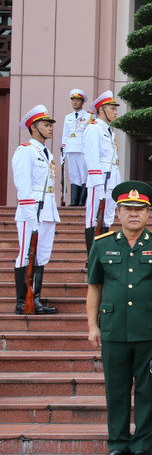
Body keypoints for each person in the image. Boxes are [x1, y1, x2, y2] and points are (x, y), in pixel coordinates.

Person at [87, 181, 152, 455]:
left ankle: (142, 445)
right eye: (128, 209)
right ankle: (118, 444)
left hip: (149, 329)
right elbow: (94, 287)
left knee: (148, 390)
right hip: (113, 329)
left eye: (140, 209)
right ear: (118, 213)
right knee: (117, 389)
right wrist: (92, 325)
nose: (134, 214)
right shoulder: (102, 244)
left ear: (148, 214)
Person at [13, 105, 61, 315]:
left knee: (41, 255)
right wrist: (30, 215)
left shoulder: (47, 153)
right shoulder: (25, 150)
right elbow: (22, 185)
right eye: (45, 125)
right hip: (31, 210)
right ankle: (22, 301)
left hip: (47, 209)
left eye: (50, 125)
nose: (50, 128)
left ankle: (36, 298)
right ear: (33, 127)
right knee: (26, 254)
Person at [83, 91, 121, 252]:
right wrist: (98, 185)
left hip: (111, 179)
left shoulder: (109, 131)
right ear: (101, 110)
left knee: (107, 218)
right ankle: (92, 256)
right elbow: (92, 158)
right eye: (111, 108)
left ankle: (101, 252)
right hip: (100, 180)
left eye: (115, 109)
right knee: (94, 218)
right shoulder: (94, 129)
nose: (115, 112)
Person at [60, 89, 88, 207]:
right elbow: (65, 134)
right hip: (70, 148)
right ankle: (74, 201)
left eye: (77, 100)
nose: (75, 102)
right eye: (73, 100)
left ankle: (82, 201)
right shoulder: (68, 117)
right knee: (73, 174)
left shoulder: (89, 116)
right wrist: (63, 149)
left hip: (82, 148)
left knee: (84, 175)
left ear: (82, 102)